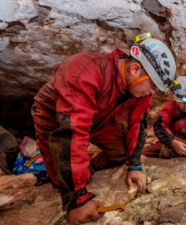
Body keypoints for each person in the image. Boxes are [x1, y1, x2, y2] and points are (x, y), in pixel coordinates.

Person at [32, 34, 177, 225]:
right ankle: (76, 181)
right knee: (62, 179)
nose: (152, 92)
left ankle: (86, 168)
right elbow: (72, 132)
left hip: (101, 117)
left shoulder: (139, 90)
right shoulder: (85, 69)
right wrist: (77, 200)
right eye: (152, 86)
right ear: (135, 69)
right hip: (56, 116)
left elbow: (138, 124)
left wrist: (134, 165)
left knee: (120, 153)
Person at [142, 76, 186, 158]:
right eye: (181, 102)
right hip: (172, 140)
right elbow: (160, 127)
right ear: (176, 99)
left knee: (168, 150)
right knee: (145, 154)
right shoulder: (169, 108)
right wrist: (173, 141)